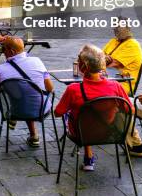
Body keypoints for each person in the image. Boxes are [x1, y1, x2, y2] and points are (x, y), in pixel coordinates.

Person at [55, 44, 132, 172]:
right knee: (90, 117)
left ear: (84, 66)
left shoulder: (73, 89)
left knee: (78, 115)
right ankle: (89, 157)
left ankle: (88, 158)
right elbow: (130, 110)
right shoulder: (116, 86)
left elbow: (58, 113)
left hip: (81, 134)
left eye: (78, 59)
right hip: (110, 133)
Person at [0, 37, 53, 148]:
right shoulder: (37, 61)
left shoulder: (0, 69)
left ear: (11, 51)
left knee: (18, 94)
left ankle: (14, 119)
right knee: (29, 96)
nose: (2, 52)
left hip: (17, 111)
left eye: (3, 49)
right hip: (42, 109)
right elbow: (50, 89)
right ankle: (34, 135)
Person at [103, 24, 142, 95]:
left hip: (121, 85)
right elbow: (98, 55)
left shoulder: (132, 45)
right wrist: (103, 58)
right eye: (114, 26)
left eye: (118, 27)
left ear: (127, 28)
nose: (115, 29)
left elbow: (110, 66)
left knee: (91, 91)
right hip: (108, 80)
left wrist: (102, 59)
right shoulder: (114, 41)